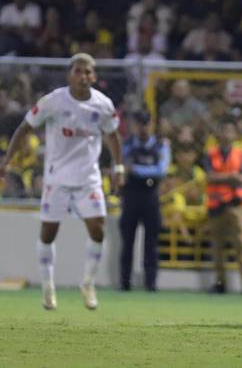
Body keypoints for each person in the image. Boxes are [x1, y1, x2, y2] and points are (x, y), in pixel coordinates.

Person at [0, 53, 123, 311]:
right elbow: (26, 127)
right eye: (78, 71)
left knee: (98, 229)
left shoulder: (103, 105)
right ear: (70, 74)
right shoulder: (53, 101)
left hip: (88, 178)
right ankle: (48, 288)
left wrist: (118, 166)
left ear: (94, 76)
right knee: (48, 233)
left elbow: (112, 135)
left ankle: (87, 284)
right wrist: (7, 160)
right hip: (57, 177)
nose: (83, 76)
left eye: (88, 72)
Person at [203, 118, 242, 295]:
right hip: (216, 205)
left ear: (235, 134)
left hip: (235, 205)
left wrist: (223, 177)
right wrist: (231, 177)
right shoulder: (210, 154)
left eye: (230, 130)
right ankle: (220, 284)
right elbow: (210, 177)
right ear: (218, 134)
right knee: (217, 248)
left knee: (241, 246)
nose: (227, 134)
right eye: (224, 130)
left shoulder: (241, 154)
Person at [119, 110, 170, 292]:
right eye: (140, 124)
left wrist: (136, 170)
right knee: (127, 241)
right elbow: (122, 167)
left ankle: (151, 282)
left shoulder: (160, 145)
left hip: (150, 196)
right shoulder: (127, 145)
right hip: (131, 195)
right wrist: (135, 170)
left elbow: (161, 170)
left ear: (151, 125)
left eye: (146, 124)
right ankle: (124, 282)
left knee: (151, 242)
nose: (143, 128)